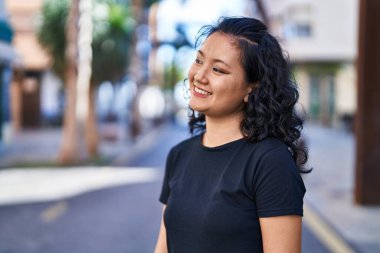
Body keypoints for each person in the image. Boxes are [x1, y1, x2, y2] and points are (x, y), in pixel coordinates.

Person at [154, 16, 309, 253]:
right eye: (199, 60)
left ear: (252, 87)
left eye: (218, 69)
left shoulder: (270, 162)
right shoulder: (179, 155)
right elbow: (163, 248)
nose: (199, 76)